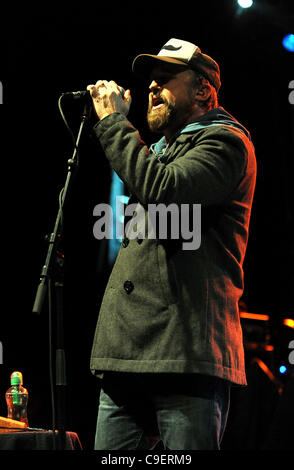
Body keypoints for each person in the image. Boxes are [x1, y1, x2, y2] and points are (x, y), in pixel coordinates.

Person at [87, 38, 257, 450]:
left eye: (165, 78)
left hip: (186, 355)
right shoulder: (157, 149)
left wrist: (112, 124)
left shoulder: (226, 142)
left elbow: (166, 189)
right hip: (127, 353)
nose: (151, 86)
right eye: (150, 79)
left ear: (202, 90)